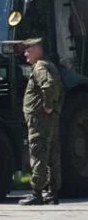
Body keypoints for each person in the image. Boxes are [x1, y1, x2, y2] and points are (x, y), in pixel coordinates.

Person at [20, 38, 64, 205]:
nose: (25, 54)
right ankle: (53, 192)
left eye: (28, 50)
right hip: (47, 118)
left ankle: (36, 193)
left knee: (38, 152)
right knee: (52, 154)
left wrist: (47, 106)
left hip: (40, 119)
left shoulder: (40, 67)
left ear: (37, 49)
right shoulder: (48, 65)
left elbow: (49, 85)